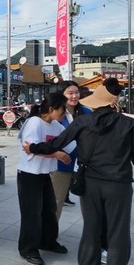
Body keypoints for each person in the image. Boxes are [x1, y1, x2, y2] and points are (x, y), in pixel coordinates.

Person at [24, 79, 134, 265]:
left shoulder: (82, 121)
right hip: (118, 185)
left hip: (89, 183)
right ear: (113, 103)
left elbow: (56, 143)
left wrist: (33, 147)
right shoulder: (129, 124)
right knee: (117, 234)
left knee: (91, 230)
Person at [16, 92, 71, 265]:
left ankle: (48, 241)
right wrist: (57, 154)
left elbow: (70, 141)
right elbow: (31, 148)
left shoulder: (56, 125)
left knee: (49, 209)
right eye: (62, 110)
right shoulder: (34, 122)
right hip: (29, 174)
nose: (64, 113)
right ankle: (28, 249)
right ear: (52, 108)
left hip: (45, 173)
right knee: (32, 213)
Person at [50, 81, 90, 216]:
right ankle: (51, 228)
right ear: (62, 95)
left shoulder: (86, 112)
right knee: (56, 201)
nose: (74, 96)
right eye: (70, 93)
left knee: (88, 201)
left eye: (77, 92)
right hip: (61, 165)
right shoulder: (56, 113)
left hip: (83, 165)